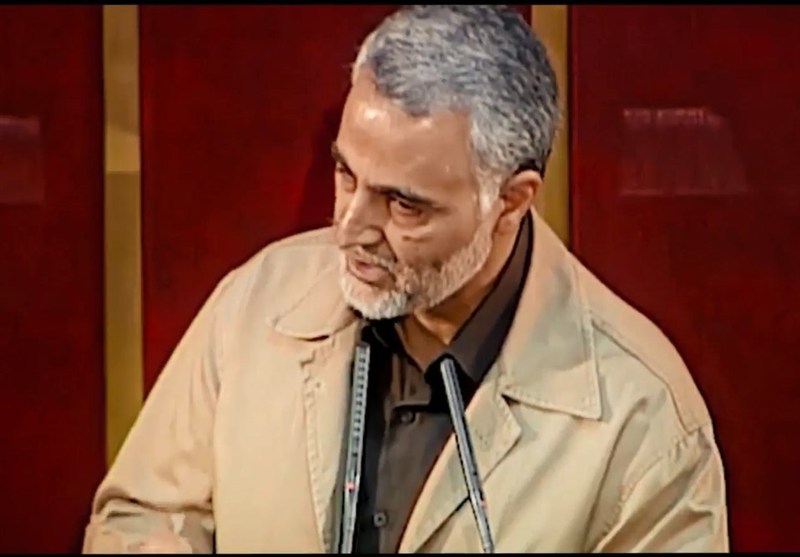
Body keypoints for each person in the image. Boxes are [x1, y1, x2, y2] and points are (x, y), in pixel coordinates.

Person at [82, 5, 729, 553]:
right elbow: (139, 520)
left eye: (403, 204)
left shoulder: (643, 421)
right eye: (346, 175)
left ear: (510, 201)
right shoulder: (256, 301)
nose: (350, 228)